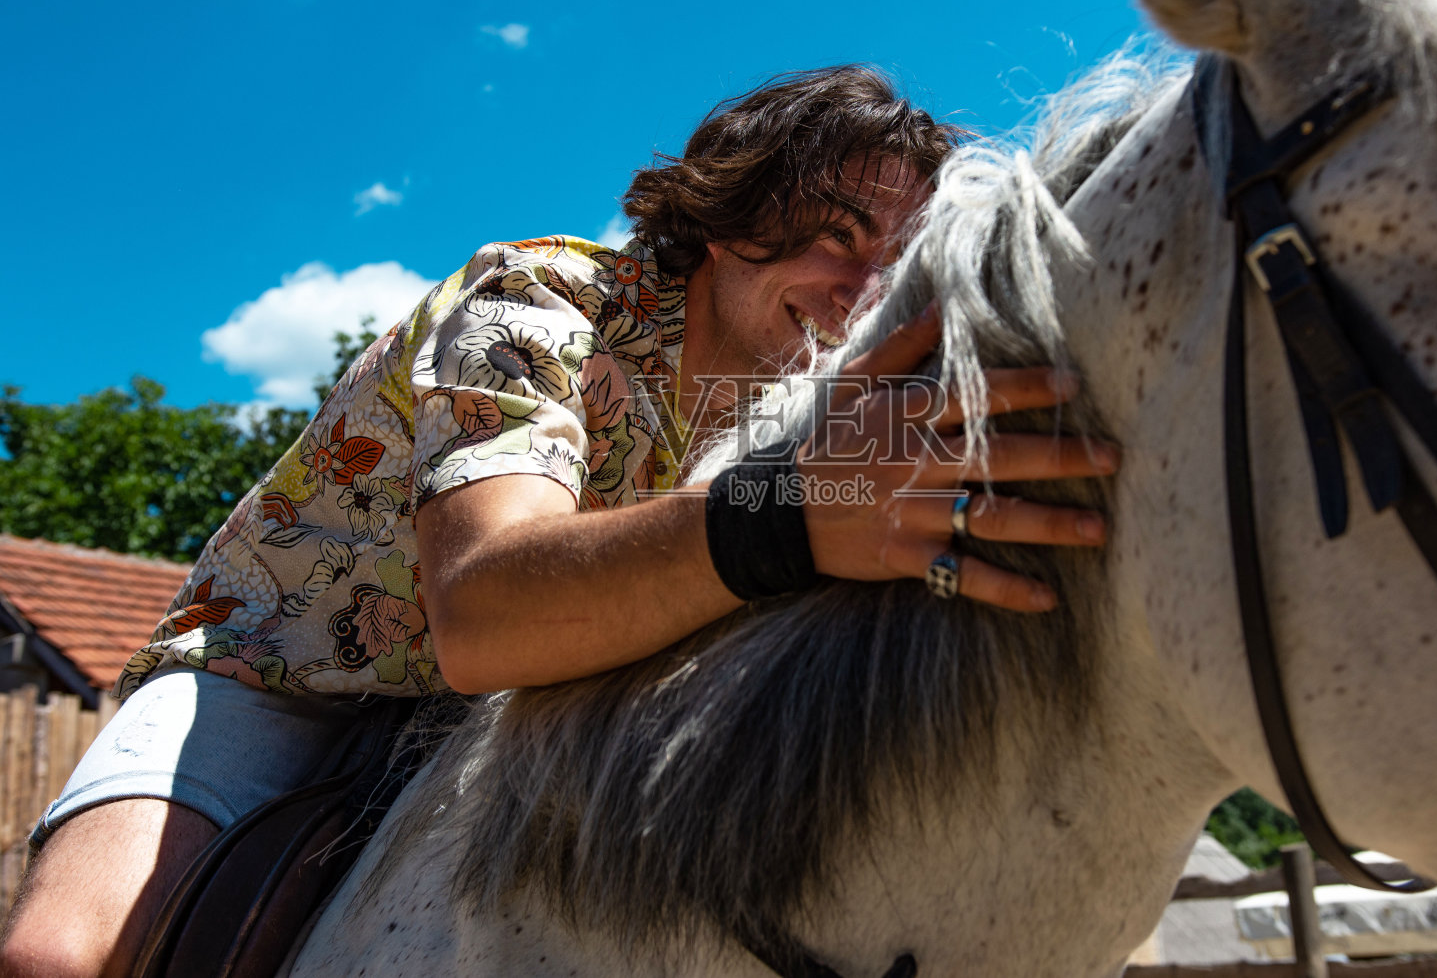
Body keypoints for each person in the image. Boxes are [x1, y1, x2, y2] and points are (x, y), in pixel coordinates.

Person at [0, 66, 1115, 978]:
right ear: (728, 220)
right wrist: (800, 504)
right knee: (60, 954)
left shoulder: (804, 410)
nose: (863, 284)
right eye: (832, 230)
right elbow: (484, 612)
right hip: (280, 676)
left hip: (535, 712)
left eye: (895, 252)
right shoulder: (534, 303)